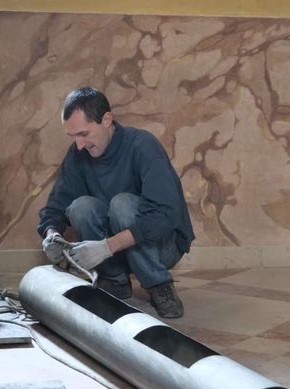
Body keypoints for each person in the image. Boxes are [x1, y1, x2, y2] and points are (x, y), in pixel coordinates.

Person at [38, 87, 195, 318]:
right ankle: (114, 280)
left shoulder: (143, 145)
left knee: (122, 204)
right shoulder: (78, 154)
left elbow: (165, 215)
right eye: (73, 137)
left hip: (163, 248)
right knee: (81, 207)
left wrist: (106, 247)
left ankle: (159, 285)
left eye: (84, 134)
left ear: (107, 120)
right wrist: (51, 236)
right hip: (116, 254)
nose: (79, 144)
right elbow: (56, 206)